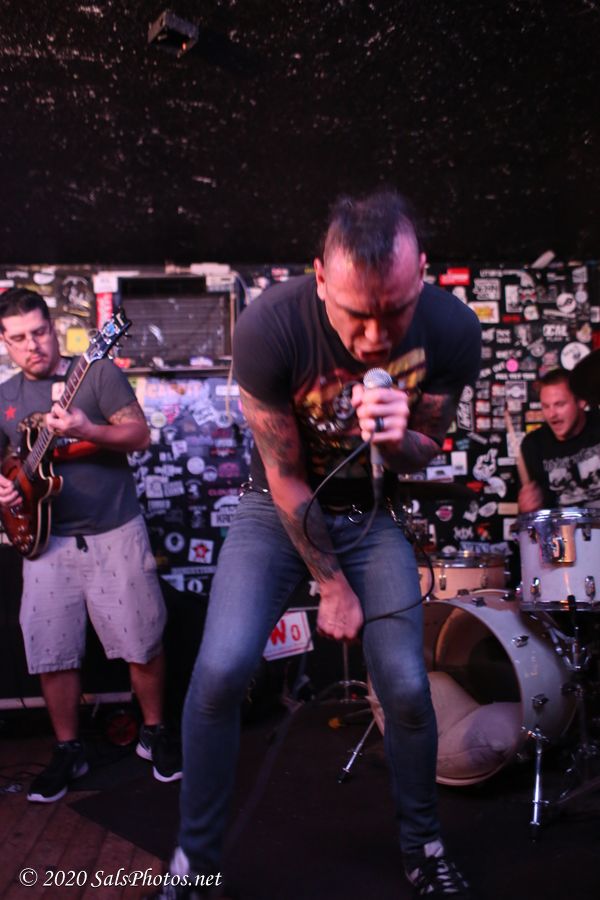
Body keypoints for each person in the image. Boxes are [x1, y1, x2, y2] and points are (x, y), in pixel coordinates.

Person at [163, 191, 481, 899]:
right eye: (355, 314)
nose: (373, 337)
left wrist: (397, 438)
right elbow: (283, 476)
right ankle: (195, 861)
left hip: (371, 513)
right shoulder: (270, 326)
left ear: (422, 274)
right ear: (319, 278)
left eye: (394, 312)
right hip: (274, 510)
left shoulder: (454, 328)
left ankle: (424, 847)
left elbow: (424, 449)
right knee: (220, 671)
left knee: (405, 686)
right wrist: (332, 585)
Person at [0, 287, 181, 802]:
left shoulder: (96, 374)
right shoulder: (6, 395)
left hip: (113, 530)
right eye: (19, 338)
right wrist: (6, 485)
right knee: (52, 650)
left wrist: (86, 428)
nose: (32, 345)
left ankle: (154, 731)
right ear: (5, 343)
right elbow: (4, 459)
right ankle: (68, 749)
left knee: (141, 641)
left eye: (39, 332)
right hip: (46, 541)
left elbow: (139, 436)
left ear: (53, 328)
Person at [518, 367, 600, 512]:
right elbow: (533, 518)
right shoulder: (533, 445)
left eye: (559, 404)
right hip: (562, 526)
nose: (551, 415)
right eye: (546, 406)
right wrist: (527, 508)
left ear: (581, 401)